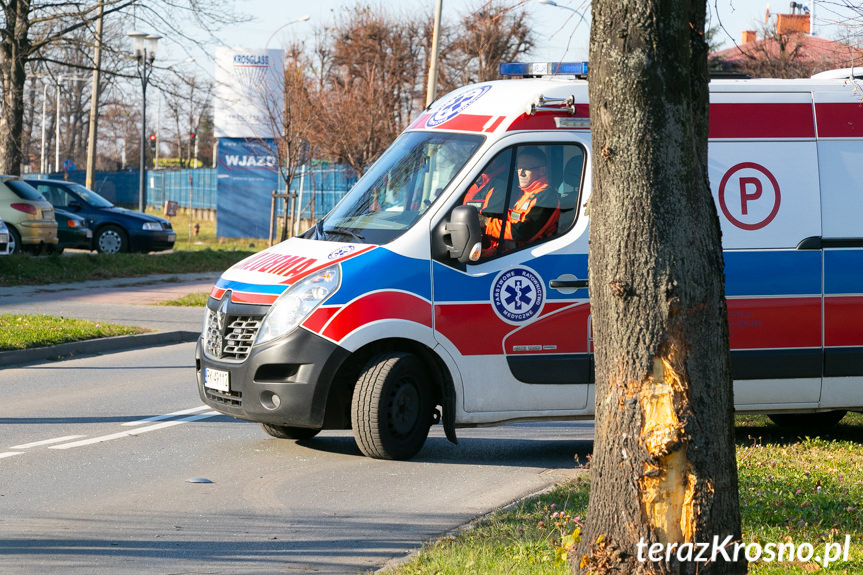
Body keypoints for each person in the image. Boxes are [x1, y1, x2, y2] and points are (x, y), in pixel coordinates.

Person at [481, 147, 560, 257]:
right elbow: (513, 218)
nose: (521, 173)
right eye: (519, 168)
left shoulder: (546, 196)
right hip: (514, 254)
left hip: (535, 258)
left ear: (541, 170)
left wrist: (486, 222)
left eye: (526, 169)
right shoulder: (525, 195)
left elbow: (522, 233)